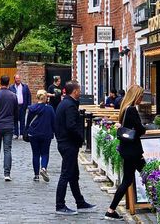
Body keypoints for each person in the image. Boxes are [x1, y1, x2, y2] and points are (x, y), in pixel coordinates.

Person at [104, 84, 147, 220]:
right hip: (133, 151)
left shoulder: (125, 108)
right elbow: (139, 130)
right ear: (136, 96)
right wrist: (145, 128)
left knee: (131, 179)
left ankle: (111, 210)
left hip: (127, 150)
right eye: (141, 96)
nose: (141, 99)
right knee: (149, 176)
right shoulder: (132, 109)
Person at [54, 80, 96, 215]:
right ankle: (60, 205)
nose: (80, 92)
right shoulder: (69, 106)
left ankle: (80, 202)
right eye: (79, 89)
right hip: (68, 144)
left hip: (65, 142)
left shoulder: (64, 103)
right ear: (75, 91)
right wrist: (80, 138)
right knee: (66, 174)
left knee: (73, 175)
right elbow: (71, 126)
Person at [0, 75, 18, 181]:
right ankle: (7, 173)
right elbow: (16, 112)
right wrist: (14, 124)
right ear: (8, 82)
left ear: (0, 82)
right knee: (7, 149)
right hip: (8, 125)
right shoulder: (13, 96)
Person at [26, 90, 55, 182]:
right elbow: (54, 122)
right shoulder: (50, 109)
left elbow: (28, 122)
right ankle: (43, 168)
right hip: (46, 133)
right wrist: (54, 132)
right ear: (45, 97)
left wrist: (25, 131)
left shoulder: (32, 108)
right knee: (45, 153)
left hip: (33, 134)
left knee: (35, 154)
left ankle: (36, 175)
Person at [9, 74, 32, 139]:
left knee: (22, 120)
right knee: (15, 120)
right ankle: (15, 133)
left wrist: (29, 105)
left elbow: (29, 96)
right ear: (14, 79)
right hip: (14, 106)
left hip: (23, 106)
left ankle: (22, 133)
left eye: (19, 78)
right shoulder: (11, 87)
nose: (18, 79)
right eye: (16, 78)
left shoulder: (25, 87)